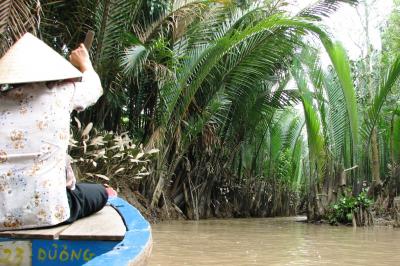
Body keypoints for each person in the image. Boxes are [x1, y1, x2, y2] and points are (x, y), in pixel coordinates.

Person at [0, 33, 113, 231]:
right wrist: (85, 62)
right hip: (48, 212)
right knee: (100, 193)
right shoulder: (61, 94)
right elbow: (94, 87)